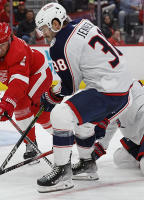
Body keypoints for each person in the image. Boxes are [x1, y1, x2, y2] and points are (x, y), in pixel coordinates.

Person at [35, 3, 133, 192]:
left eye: (45, 28)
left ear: (55, 23)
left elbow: (70, 86)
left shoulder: (59, 44)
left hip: (107, 89)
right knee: (83, 122)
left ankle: (63, 173)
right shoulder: (83, 23)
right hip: (121, 86)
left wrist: (51, 96)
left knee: (61, 115)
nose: (43, 34)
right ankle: (88, 165)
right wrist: (56, 92)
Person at [0, 22, 53, 160]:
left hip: (38, 74)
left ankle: (61, 136)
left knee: (29, 108)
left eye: (3, 44)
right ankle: (32, 143)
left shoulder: (18, 49)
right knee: (22, 108)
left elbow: (19, 83)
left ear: (10, 38)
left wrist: (8, 102)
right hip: (23, 80)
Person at [94, 80, 144, 175]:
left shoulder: (129, 84)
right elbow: (110, 124)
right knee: (121, 160)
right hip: (138, 138)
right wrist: (101, 146)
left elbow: (123, 101)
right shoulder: (109, 100)